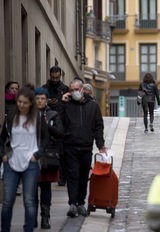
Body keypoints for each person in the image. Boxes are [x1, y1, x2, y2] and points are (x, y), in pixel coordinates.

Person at [0, 86, 49, 232]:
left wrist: (37, 155)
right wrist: (3, 154)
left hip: (30, 163)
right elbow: (2, 138)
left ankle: (28, 229)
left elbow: (46, 138)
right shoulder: (10, 117)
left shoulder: (38, 117)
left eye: (25, 103)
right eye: (19, 102)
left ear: (31, 103)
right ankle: (5, 229)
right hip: (11, 162)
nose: (21, 105)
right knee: (8, 201)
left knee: (29, 201)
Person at [57, 79, 106, 217]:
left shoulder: (93, 106)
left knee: (84, 176)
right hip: (70, 146)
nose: (74, 92)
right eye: (71, 90)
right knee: (73, 176)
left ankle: (80, 203)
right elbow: (57, 119)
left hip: (85, 147)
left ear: (82, 89)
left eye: (76, 89)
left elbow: (98, 127)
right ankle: (73, 204)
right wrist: (62, 102)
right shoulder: (66, 105)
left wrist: (100, 145)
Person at [34, 87, 65, 229]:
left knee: (46, 188)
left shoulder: (53, 114)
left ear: (46, 100)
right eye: (37, 98)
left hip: (48, 156)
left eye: (42, 98)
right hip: (31, 156)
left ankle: (45, 218)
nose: (40, 101)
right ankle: (32, 217)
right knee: (31, 189)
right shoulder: (27, 115)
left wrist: (48, 127)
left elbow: (60, 133)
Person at [42, 66, 69, 186]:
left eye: (57, 77)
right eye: (53, 77)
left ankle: (62, 177)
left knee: (62, 150)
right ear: (49, 75)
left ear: (60, 75)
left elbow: (67, 107)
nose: (54, 80)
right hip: (47, 121)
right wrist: (48, 102)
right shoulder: (44, 88)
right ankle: (46, 173)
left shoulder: (65, 88)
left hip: (60, 122)